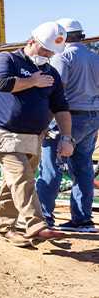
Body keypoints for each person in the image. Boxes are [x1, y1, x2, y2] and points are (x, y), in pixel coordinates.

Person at [0, 22, 72, 246]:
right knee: (22, 175)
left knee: (13, 183)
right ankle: (36, 224)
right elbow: (2, 83)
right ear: (31, 41)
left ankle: (6, 229)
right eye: (45, 50)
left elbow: (60, 107)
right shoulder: (7, 59)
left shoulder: (51, 72)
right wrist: (33, 81)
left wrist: (67, 137)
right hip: (2, 133)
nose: (48, 55)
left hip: (32, 138)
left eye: (51, 52)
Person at [35, 19, 99, 229]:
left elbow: (56, 91)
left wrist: (43, 122)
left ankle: (45, 218)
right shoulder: (94, 58)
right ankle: (83, 220)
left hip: (67, 119)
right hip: (92, 118)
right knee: (83, 168)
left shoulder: (63, 56)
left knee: (51, 168)